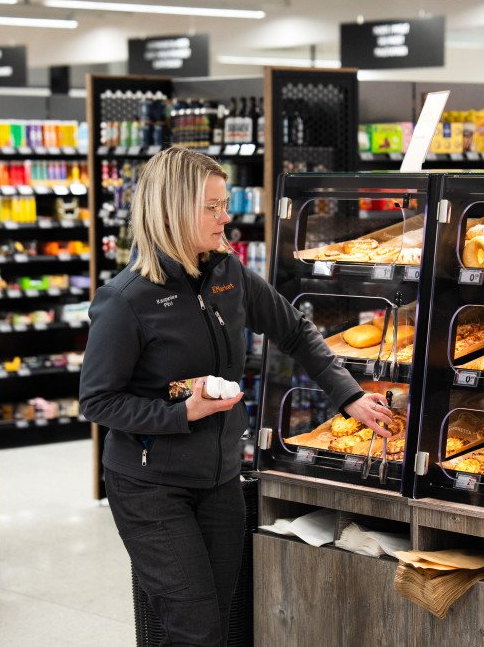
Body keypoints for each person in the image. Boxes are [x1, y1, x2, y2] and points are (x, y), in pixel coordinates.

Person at [79, 145, 392, 646]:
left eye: (224, 203)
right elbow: (97, 402)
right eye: (212, 206)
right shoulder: (125, 300)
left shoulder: (228, 273)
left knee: (210, 621)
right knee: (196, 627)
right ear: (173, 209)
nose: (226, 216)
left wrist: (348, 396)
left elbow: (294, 330)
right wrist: (182, 413)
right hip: (150, 486)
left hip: (221, 477)